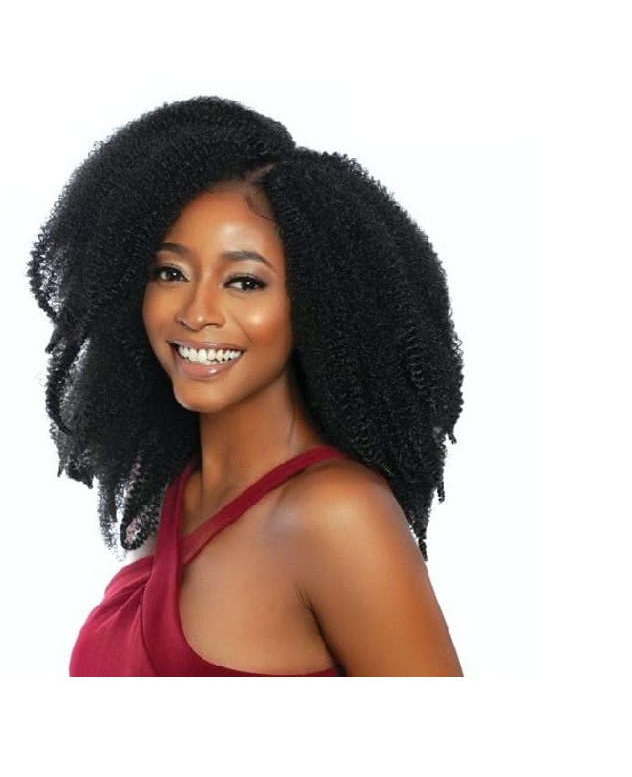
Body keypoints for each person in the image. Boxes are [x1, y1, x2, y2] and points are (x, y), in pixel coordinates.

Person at [27, 96, 465, 676]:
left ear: (313, 304)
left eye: (244, 282)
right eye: (170, 272)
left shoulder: (338, 516)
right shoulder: (174, 496)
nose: (196, 312)